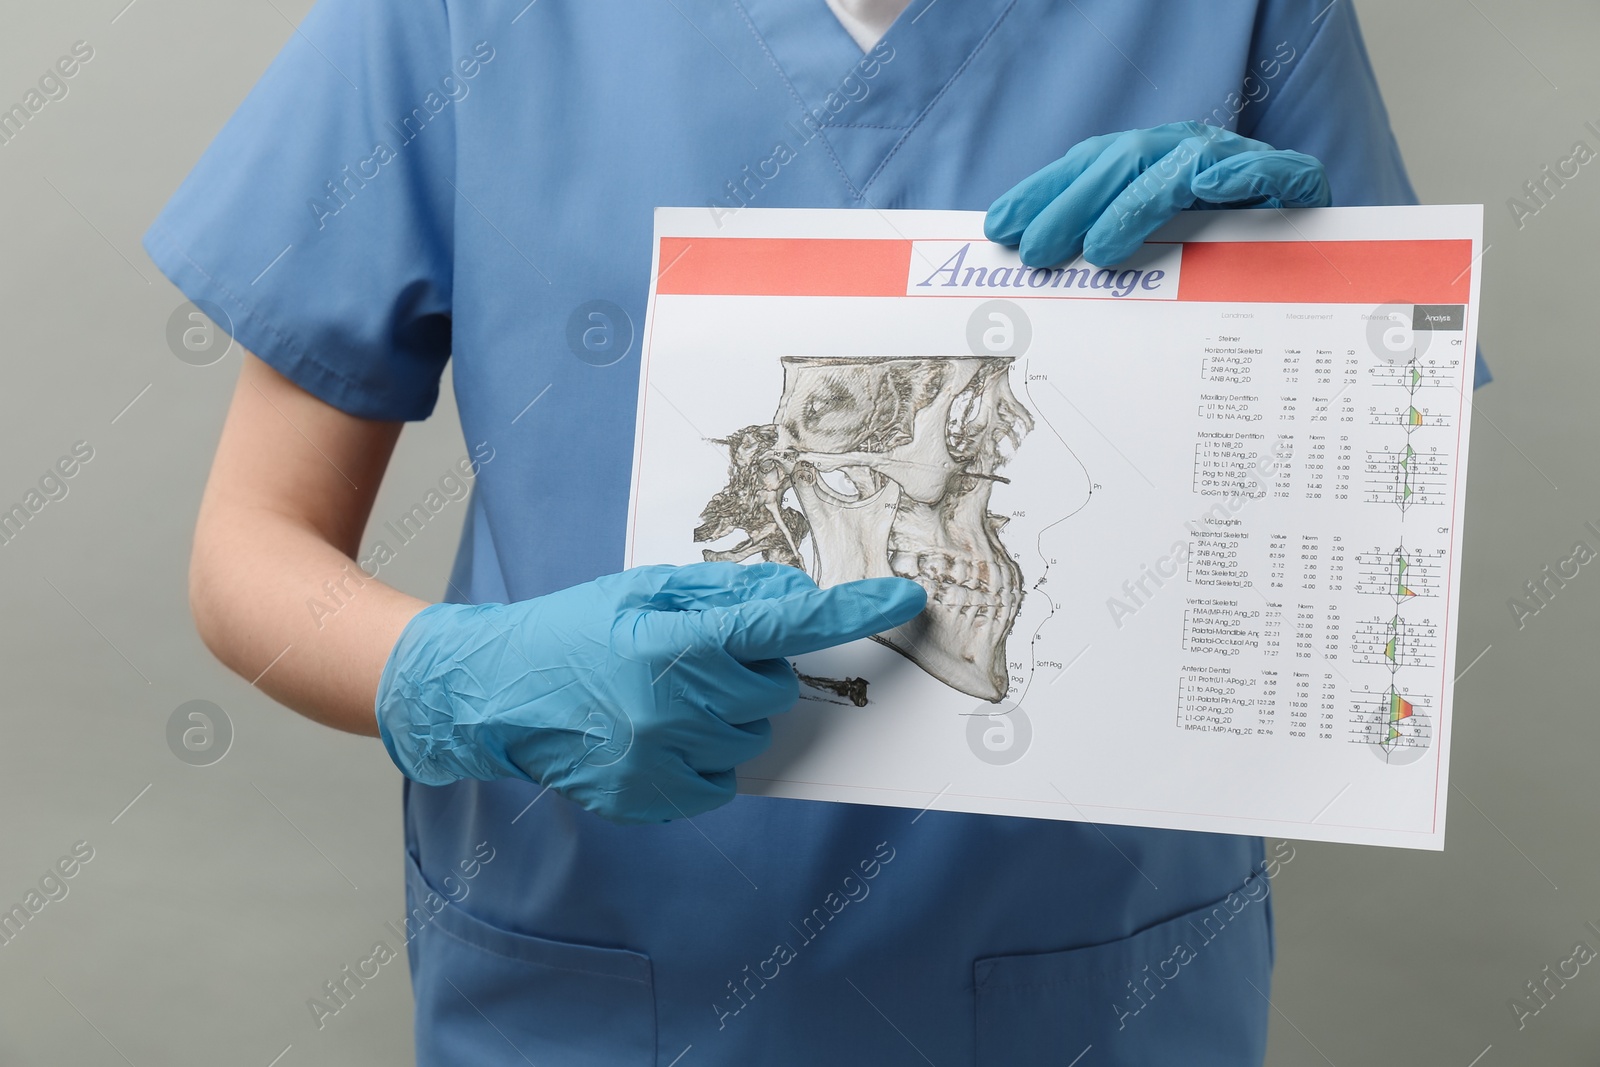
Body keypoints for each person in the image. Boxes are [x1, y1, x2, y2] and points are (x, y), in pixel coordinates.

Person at [145, 1, 1485, 1062]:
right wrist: (462, 678)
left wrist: (1302, 308)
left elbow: (1364, 546)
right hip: (601, 988)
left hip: (1094, 989)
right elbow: (247, 554)